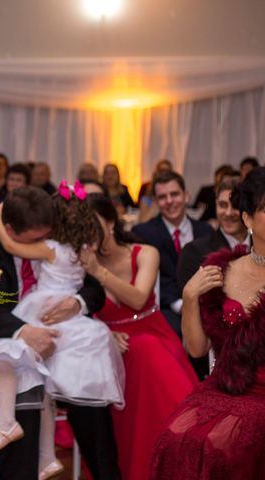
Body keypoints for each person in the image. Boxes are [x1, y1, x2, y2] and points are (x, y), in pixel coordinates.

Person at [0, 187, 125, 480]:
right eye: (35, 238)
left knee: (91, 395)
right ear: (10, 229)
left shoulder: (55, 228)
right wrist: (22, 331)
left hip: (65, 338)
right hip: (12, 341)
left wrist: (77, 302)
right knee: (23, 397)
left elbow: (92, 284)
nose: (43, 241)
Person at [150, 166, 265, 479]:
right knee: (174, 437)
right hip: (224, 384)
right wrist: (189, 297)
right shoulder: (222, 269)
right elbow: (198, 350)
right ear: (247, 220)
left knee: (227, 447)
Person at [83, 194, 198, 480]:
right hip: (105, 342)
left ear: (110, 222)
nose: (88, 233)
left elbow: (137, 298)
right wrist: (105, 332)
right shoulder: (80, 263)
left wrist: (97, 271)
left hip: (150, 334)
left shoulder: (145, 253)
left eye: (93, 224)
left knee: (144, 350)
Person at [132, 171, 213, 338]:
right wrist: (182, 305)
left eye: (174, 194)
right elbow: (154, 279)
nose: (169, 201)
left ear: (186, 196)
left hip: (205, 305)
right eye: (162, 197)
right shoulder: (143, 233)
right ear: (155, 201)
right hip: (167, 306)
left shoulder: (206, 231)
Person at [177, 176, 249, 291]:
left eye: (236, 206)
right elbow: (190, 302)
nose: (228, 213)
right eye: (223, 205)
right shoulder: (194, 252)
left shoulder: (260, 247)